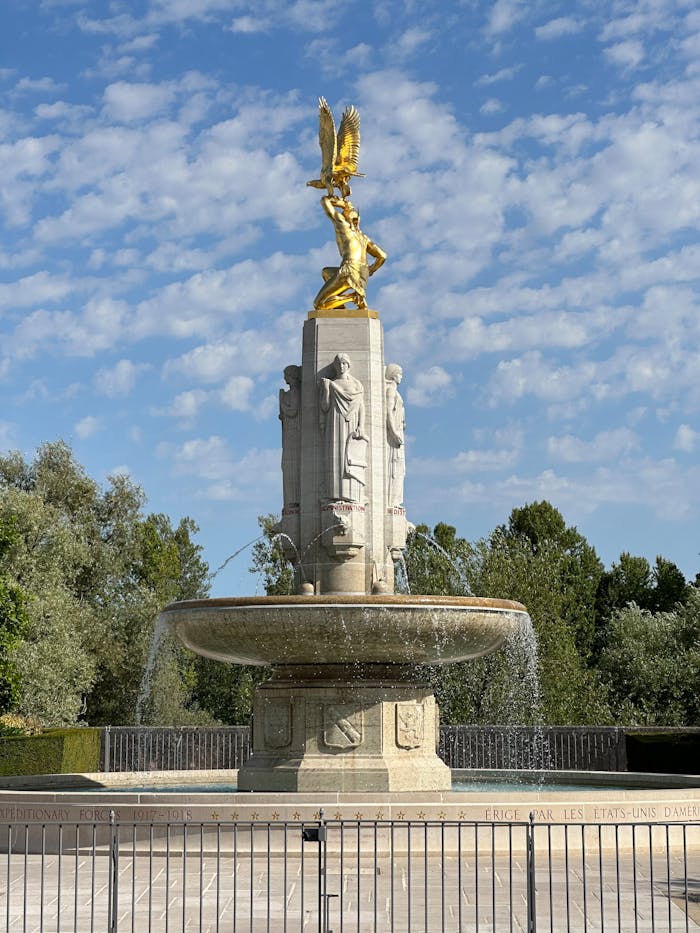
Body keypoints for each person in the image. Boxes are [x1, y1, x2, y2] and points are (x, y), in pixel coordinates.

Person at [313, 196, 386, 311]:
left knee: (319, 305)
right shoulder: (364, 238)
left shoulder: (344, 226)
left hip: (348, 271)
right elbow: (382, 256)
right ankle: (338, 304)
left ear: (347, 218)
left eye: (344, 213)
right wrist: (370, 270)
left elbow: (324, 201)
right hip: (362, 274)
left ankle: (354, 297)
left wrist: (341, 203)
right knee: (326, 272)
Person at [319, 353, 367, 501]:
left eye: (344, 363)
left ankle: (352, 494)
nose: (341, 367)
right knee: (335, 456)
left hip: (351, 424)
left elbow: (361, 407)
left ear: (348, 365)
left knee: (350, 457)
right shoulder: (331, 383)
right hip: (334, 421)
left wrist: (361, 426)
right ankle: (334, 494)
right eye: (338, 364)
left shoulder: (356, 385)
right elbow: (325, 407)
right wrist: (326, 389)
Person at [279, 365, 301, 507]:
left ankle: (294, 500)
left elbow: (292, 411)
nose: (284, 378)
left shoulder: (295, 393)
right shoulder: (290, 393)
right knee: (287, 465)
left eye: (286, 375)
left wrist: (282, 402)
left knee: (291, 464)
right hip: (290, 432)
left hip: (294, 433)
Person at [385, 364, 405, 507]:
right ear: (393, 374)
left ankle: (396, 501)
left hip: (399, 432)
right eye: (399, 373)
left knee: (400, 469)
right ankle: (392, 502)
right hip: (394, 435)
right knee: (394, 467)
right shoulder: (391, 391)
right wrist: (393, 432)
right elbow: (388, 412)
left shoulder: (395, 391)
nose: (401, 376)